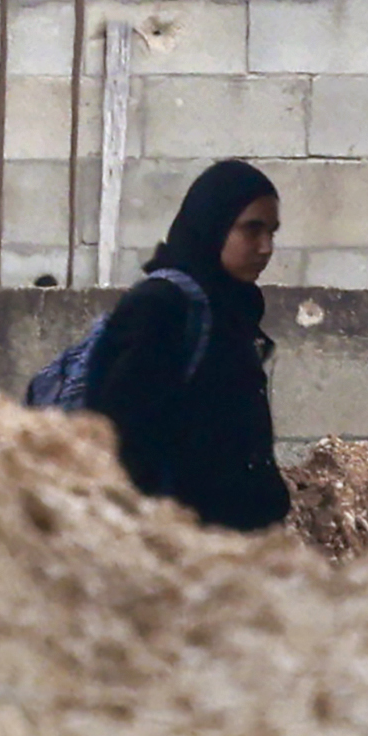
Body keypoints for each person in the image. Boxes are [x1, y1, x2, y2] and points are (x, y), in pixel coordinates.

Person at [83, 157, 295, 532]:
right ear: (213, 224)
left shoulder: (231, 308)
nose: (265, 247)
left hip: (233, 543)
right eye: (252, 229)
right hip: (181, 542)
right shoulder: (163, 307)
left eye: (272, 233)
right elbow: (121, 439)